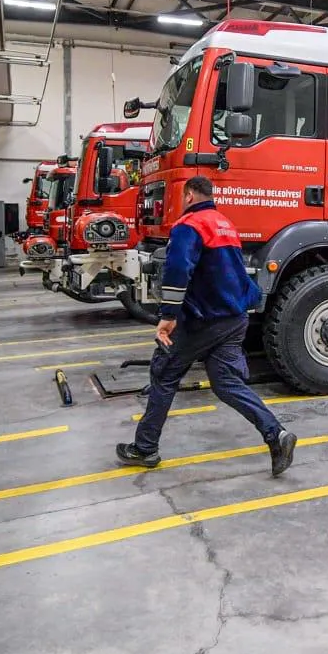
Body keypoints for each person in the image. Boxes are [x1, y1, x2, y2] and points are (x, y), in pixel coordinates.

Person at [117, 176, 297, 476]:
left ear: (188, 195)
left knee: (164, 374)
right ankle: (276, 435)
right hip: (235, 317)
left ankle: (145, 448)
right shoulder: (224, 223)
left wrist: (169, 315)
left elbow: (177, 270)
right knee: (227, 384)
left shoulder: (189, 225)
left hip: (203, 321)